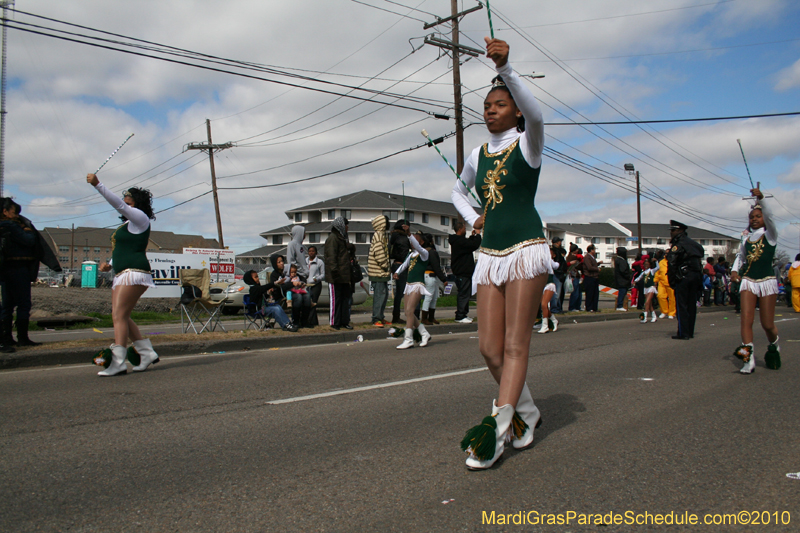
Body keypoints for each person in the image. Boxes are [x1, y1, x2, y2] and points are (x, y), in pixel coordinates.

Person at [451, 37, 549, 470]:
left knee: (513, 345)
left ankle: (501, 427)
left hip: (526, 249)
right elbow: (457, 190)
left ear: (514, 112)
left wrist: (507, 69)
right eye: (487, 104)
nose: (490, 109)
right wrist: (473, 216)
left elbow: (538, 114)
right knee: (488, 349)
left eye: (499, 104)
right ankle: (528, 411)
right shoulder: (477, 153)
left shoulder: (528, 144)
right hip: (490, 253)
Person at [85, 173, 159, 376]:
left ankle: (118, 362)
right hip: (121, 272)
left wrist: (98, 185)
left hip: (135, 273)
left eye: (130, 199)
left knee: (119, 315)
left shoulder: (140, 219)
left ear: (137, 204)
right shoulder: (127, 225)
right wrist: (109, 264)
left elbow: (118, 206)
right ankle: (146, 353)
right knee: (121, 316)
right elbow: (123, 248)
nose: (126, 201)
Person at [730, 189, 781, 373]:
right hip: (748, 282)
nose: (754, 219)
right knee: (746, 320)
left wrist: (761, 199)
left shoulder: (771, 236)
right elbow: (741, 258)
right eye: (752, 217)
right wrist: (735, 271)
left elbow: (770, 217)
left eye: (758, 216)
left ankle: (774, 343)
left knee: (767, 324)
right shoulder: (746, 240)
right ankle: (748, 359)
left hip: (767, 281)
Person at [0, 199, 36, 351]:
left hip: (5, 269)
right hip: (17, 268)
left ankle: (7, 338)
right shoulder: (10, 226)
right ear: (5, 212)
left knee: (7, 305)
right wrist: (27, 230)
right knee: (23, 303)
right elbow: (30, 240)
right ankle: (22, 338)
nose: (17, 216)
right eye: (14, 212)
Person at [393, 233, 433, 349]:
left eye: (415, 240)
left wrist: (409, 233)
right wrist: (397, 273)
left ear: (420, 242)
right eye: (411, 240)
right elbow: (404, 265)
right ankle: (424, 333)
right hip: (408, 285)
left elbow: (419, 248)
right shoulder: (411, 254)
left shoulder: (424, 253)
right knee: (407, 312)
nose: (412, 242)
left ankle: (408, 339)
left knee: (410, 310)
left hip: (418, 285)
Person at [667, 220, 704, 340]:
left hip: (683, 277)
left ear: (680, 231)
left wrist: (671, 281)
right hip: (695, 276)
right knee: (691, 305)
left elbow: (672, 263)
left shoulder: (678, 244)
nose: (671, 233)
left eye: (673, 230)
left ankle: (683, 333)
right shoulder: (694, 244)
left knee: (682, 305)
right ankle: (690, 331)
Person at [324, 216, 355, 330]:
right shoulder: (332, 238)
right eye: (346, 225)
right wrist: (335, 272)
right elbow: (331, 258)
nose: (347, 228)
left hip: (345, 276)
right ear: (340, 226)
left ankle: (344, 321)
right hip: (335, 276)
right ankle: (334, 322)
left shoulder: (343, 238)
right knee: (335, 300)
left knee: (345, 300)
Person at [448, 218, 481, 323]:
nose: (465, 230)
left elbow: (469, 243)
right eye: (464, 229)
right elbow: (473, 245)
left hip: (462, 272)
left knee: (465, 293)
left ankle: (463, 314)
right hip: (463, 272)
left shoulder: (457, 241)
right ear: (460, 229)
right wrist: (478, 235)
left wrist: (473, 236)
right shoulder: (459, 241)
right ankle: (460, 315)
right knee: (463, 294)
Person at [367, 215, 390, 327]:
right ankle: (376, 318)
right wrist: (385, 265)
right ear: (382, 224)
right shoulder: (378, 235)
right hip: (378, 272)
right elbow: (379, 252)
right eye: (387, 221)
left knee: (384, 296)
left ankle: (380, 317)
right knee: (379, 296)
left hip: (382, 272)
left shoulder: (382, 235)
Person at [420, 233, 446, 325]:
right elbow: (436, 267)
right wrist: (444, 279)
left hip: (428, 275)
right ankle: (424, 318)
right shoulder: (431, 252)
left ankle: (431, 317)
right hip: (430, 275)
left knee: (433, 297)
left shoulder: (423, 251)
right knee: (429, 297)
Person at [388, 219, 411, 324]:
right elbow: (404, 254)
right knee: (401, 292)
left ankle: (396, 315)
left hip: (395, 264)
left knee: (400, 292)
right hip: (401, 265)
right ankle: (396, 316)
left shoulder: (393, 237)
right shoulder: (402, 238)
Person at [537, 250, 562, 333]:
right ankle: (554, 320)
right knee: (544, 307)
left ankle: (545, 326)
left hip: (549, 284)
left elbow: (556, 266)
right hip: (541, 284)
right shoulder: (538, 260)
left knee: (544, 304)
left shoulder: (549, 261)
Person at [634, 258, 659, 323]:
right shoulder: (643, 272)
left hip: (651, 287)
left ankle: (644, 317)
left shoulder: (652, 271)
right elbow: (639, 278)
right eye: (645, 264)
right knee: (649, 304)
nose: (646, 266)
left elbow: (658, 268)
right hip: (645, 288)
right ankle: (654, 316)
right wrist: (634, 281)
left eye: (647, 264)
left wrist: (656, 261)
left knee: (647, 302)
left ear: (650, 265)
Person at [653, 249, 675, 319]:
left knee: (672, 298)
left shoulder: (674, 262)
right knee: (660, 296)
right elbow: (657, 272)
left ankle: (671, 313)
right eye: (666, 253)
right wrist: (655, 280)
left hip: (671, 282)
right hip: (662, 282)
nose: (666, 254)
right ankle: (664, 311)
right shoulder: (661, 262)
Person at [550, 236, 567, 314]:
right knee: (556, 292)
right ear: (557, 242)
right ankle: (554, 308)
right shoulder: (554, 251)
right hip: (557, 273)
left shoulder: (559, 251)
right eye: (560, 241)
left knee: (559, 292)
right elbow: (557, 261)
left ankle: (558, 307)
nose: (561, 243)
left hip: (560, 272)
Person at [613, 247, 631, 311]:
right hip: (622, 280)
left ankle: (621, 305)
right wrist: (628, 276)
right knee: (622, 292)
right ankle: (620, 306)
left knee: (622, 292)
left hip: (620, 279)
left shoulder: (617, 259)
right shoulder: (621, 260)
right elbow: (623, 270)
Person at [583, 244, 600, 312]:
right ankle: (589, 307)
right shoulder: (587, 257)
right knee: (590, 293)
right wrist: (597, 269)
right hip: (589, 277)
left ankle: (594, 307)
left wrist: (598, 264)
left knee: (595, 293)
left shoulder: (593, 257)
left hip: (595, 277)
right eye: (594, 249)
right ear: (591, 250)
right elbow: (589, 267)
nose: (595, 251)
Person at [566, 244, 583, 311]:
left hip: (576, 276)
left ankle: (577, 307)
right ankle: (572, 307)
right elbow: (578, 266)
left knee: (578, 293)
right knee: (575, 293)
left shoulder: (570, 256)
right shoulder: (572, 257)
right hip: (573, 276)